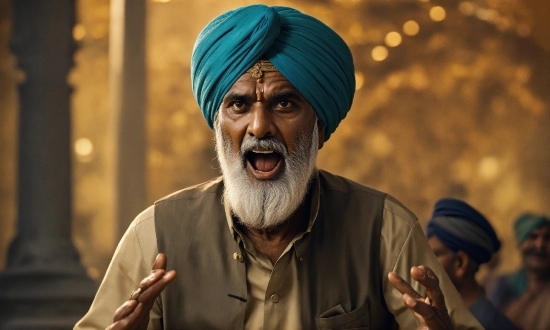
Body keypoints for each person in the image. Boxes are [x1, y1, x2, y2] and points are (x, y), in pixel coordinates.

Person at [75, 5, 482, 330]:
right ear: (218, 128)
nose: (258, 126)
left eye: (284, 104)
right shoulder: (156, 233)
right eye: (238, 105)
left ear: (320, 127)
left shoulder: (385, 229)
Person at [426, 198, 516, 330]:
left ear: (461, 263)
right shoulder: (450, 317)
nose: (426, 264)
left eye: (436, 255)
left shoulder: (485, 324)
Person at [503, 213, 550, 329]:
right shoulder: (503, 287)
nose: (540, 245)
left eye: (547, 238)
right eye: (533, 237)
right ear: (521, 244)